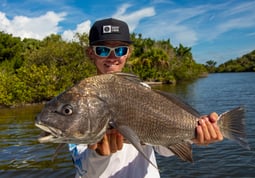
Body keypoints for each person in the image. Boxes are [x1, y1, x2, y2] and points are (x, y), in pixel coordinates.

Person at [69, 18, 223, 178]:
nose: (112, 57)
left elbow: (163, 149)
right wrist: (98, 155)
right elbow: (84, 170)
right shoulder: (78, 102)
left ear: (128, 53)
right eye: (102, 50)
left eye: (120, 50)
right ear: (90, 53)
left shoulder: (145, 91)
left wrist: (194, 135)